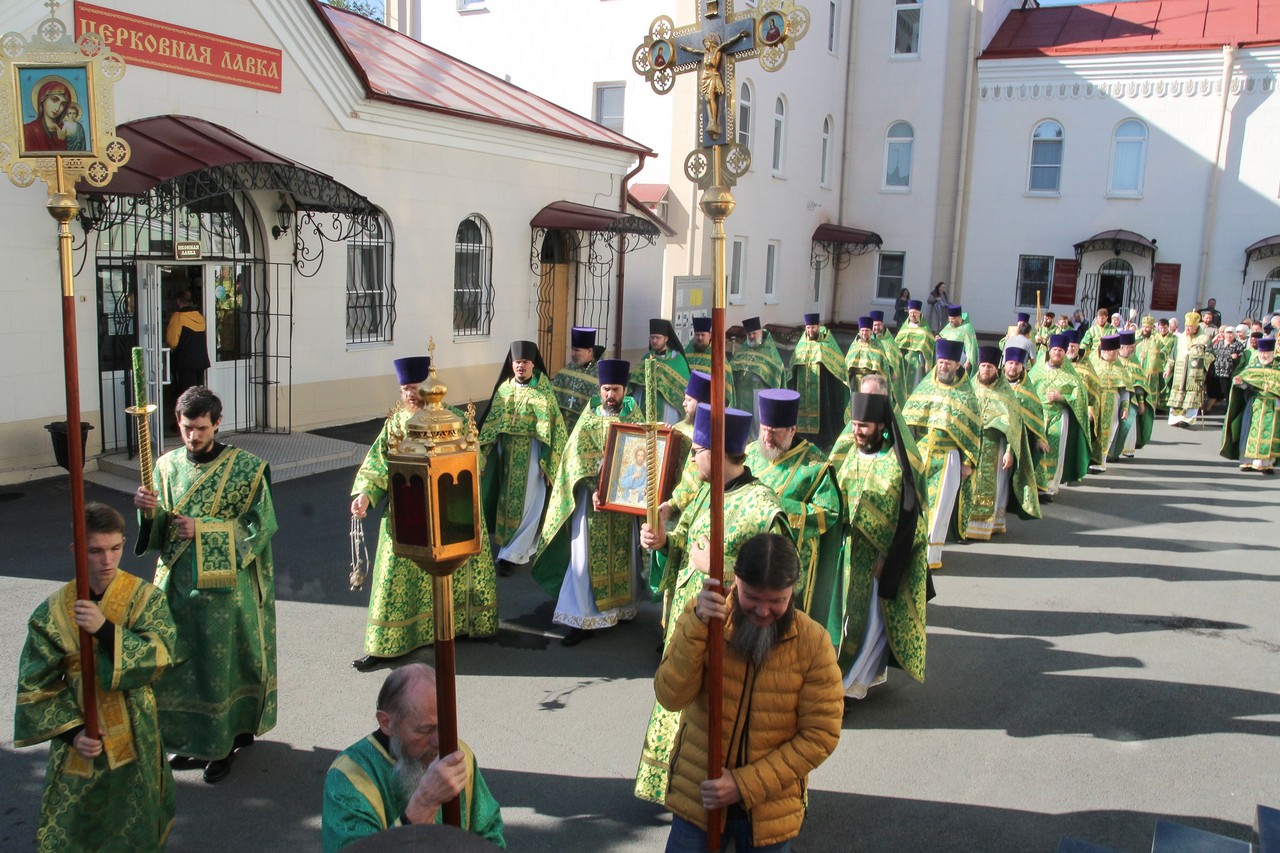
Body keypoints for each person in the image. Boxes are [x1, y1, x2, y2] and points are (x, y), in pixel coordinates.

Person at [635, 404, 789, 805]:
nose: (691, 457)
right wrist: (663, 541)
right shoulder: (707, 490)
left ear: (716, 452)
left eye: (696, 449)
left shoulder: (762, 508)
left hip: (726, 636)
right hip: (688, 627)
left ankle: (708, 796)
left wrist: (722, 568)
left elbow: (783, 582)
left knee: (708, 720)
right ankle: (672, 784)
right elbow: (685, 538)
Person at [655, 533, 842, 851]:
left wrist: (743, 785)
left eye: (777, 601)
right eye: (753, 597)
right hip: (699, 798)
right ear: (736, 581)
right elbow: (670, 696)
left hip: (770, 809)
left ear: (792, 591)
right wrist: (698, 625)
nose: (763, 611)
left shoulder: (813, 643)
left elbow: (820, 736)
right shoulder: (705, 619)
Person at [134, 386, 277, 784]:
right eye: (185, 428)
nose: (192, 437)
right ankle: (190, 738)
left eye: (200, 428)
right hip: (177, 586)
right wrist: (149, 514)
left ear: (217, 423)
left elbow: (260, 526)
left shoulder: (246, 469)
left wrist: (204, 529)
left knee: (219, 667)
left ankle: (222, 745)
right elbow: (160, 531)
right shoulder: (164, 467)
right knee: (179, 665)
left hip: (224, 591)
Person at [15, 503, 177, 852]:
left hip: (135, 736)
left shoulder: (146, 598)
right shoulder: (53, 610)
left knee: (136, 828)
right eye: (96, 551)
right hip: (81, 742)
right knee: (75, 830)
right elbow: (35, 684)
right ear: (76, 550)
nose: (108, 561)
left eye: (116, 548)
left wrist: (104, 630)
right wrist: (72, 733)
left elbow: (160, 657)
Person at [349, 356, 498, 671]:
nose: (410, 395)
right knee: (393, 576)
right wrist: (365, 495)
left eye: (415, 388)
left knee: (454, 571)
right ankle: (386, 645)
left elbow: (476, 460)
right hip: (406, 515)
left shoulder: (454, 419)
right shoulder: (395, 422)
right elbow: (378, 464)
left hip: (449, 513)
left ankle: (460, 626)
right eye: (405, 389)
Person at [322, 664, 505, 851]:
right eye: (424, 730)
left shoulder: (458, 756)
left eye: (444, 725)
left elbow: (489, 832)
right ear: (386, 723)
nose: (439, 742)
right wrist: (423, 805)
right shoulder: (348, 778)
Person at [533, 359, 643, 646]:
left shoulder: (636, 419)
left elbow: (645, 461)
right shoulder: (589, 419)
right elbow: (573, 463)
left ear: (625, 390)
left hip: (623, 506)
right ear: (600, 388)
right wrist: (591, 487)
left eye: (616, 390)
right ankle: (581, 618)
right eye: (606, 389)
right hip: (591, 505)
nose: (610, 395)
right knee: (583, 562)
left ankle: (620, 609)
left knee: (624, 557)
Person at [833, 392, 931, 703]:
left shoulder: (894, 464)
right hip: (847, 554)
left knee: (870, 625)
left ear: (880, 427)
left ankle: (848, 685)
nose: (857, 432)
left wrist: (889, 560)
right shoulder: (847, 454)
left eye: (864, 426)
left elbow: (907, 520)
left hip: (876, 559)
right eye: (854, 424)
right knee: (845, 625)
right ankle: (847, 679)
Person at [743, 389, 842, 642]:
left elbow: (829, 513)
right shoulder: (751, 451)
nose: (767, 437)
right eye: (764, 428)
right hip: (750, 551)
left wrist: (778, 507)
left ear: (792, 430)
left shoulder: (816, 466)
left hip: (792, 559)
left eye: (774, 432)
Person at [479, 340, 567, 575]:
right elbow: (490, 425)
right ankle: (513, 547)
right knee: (506, 503)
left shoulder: (543, 391)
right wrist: (482, 455)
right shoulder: (504, 390)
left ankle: (512, 555)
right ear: (512, 363)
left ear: (532, 364)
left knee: (530, 503)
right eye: (517, 362)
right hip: (506, 456)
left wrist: (550, 463)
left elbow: (556, 429)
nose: (521, 366)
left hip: (533, 456)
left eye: (525, 363)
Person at [902, 338, 980, 570]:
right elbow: (908, 420)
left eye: (949, 363)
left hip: (948, 458)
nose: (944, 366)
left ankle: (930, 557)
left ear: (958, 365)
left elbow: (974, 432)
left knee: (939, 509)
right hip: (923, 454)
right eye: (941, 361)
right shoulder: (926, 386)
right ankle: (913, 551)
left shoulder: (966, 395)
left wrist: (968, 463)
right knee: (916, 506)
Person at [965, 347, 1041, 539]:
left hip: (996, 446)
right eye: (983, 366)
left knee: (997, 485)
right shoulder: (970, 388)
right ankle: (967, 524)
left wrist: (1009, 451)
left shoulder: (1005, 393)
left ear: (996, 369)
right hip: (973, 446)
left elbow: (1014, 426)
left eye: (990, 367)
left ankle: (991, 526)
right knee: (970, 486)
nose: (985, 370)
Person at [1029, 333, 1091, 501]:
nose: (1057, 353)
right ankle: (1035, 485)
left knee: (1055, 452)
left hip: (1058, 416)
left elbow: (1080, 398)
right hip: (1039, 417)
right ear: (1050, 351)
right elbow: (1027, 390)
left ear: (1064, 354)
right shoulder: (1037, 371)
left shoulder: (1071, 375)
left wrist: (1062, 398)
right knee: (1036, 451)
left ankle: (1049, 488)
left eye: (1061, 351)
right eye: (1055, 349)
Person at [787, 312, 849, 451]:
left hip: (822, 390)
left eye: (813, 327)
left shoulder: (827, 344)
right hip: (803, 390)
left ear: (818, 327)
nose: (811, 330)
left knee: (823, 414)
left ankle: (823, 440)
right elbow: (793, 367)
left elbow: (838, 366)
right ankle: (802, 439)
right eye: (808, 328)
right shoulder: (801, 344)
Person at [1220, 337, 1279, 473]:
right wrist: (1239, 382)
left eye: (1267, 353)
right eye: (1262, 353)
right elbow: (1245, 385)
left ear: (1272, 353)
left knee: (1269, 436)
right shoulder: (1252, 368)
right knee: (1248, 432)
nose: (1264, 356)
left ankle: (1266, 464)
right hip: (1254, 404)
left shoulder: (1278, 369)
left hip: (1273, 406)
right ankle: (1247, 462)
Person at [731, 316, 786, 433]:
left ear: (760, 332)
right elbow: (733, 366)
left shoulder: (769, 350)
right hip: (741, 395)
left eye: (754, 333)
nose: (751, 337)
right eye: (749, 334)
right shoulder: (744, 348)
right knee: (741, 427)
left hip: (759, 395)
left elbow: (777, 370)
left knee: (757, 427)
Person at [631, 319, 692, 424]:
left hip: (668, 410)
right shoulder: (646, 357)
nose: (654, 341)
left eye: (658, 338)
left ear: (666, 338)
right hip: (644, 409)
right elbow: (636, 386)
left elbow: (684, 388)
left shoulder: (677, 359)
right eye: (652, 337)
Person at [1164, 311, 1214, 428]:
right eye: (1186, 326)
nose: (1188, 329)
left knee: (1191, 396)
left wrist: (1202, 365)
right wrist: (1168, 369)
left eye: (1190, 327)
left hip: (1194, 373)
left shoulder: (1205, 339)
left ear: (1196, 327)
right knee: (1178, 395)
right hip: (1180, 373)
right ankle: (1175, 419)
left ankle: (1187, 420)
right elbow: (1173, 355)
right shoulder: (1180, 338)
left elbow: (1210, 355)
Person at [550, 326, 603, 431]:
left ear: (589, 351)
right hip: (563, 428)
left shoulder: (600, 374)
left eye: (577, 350)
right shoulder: (565, 372)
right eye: (572, 349)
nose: (572, 354)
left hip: (586, 428)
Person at [165, 290, 211, 403]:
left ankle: (188, 418)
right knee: (197, 393)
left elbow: (172, 342)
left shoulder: (178, 318)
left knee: (186, 395)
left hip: (185, 362)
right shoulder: (200, 317)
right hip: (201, 361)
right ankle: (198, 416)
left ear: (178, 301)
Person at [23, 77, 87, 153]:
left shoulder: (69, 128)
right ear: (42, 99)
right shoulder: (28, 130)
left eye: (63, 104)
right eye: (54, 100)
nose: (57, 108)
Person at [685, 315, 736, 406]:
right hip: (688, 401)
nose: (700, 338)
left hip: (708, 402)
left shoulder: (717, 356)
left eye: (703, 335)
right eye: (697, 335)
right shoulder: (687, 352)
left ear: (710, 336)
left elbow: (726, 381)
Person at [894, 298, 935, 392]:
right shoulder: (904, 328)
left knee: (916, 385)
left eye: (915, 312)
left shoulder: (925, 329)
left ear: (920, 313)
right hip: (905, 360)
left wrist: (928, 362)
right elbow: (897, 344)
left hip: (919, 360)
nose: (913, 315)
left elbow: (930, 346)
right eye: (911, 312)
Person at [938, 304, 979, 369]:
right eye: (949, 318)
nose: (951, 321)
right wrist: (938, 338)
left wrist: (968, 361)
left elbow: (970, 347)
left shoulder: (967, 328)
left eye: (953, 319)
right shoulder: (949, 326)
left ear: (960, 318)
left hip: (959, 358)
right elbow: (942, 336)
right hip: (945, 358)